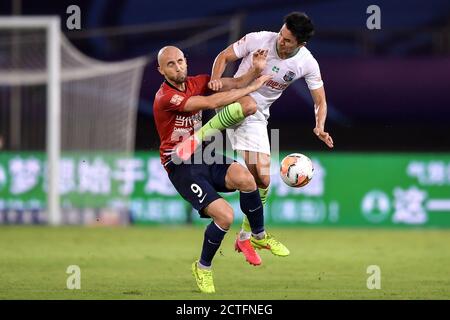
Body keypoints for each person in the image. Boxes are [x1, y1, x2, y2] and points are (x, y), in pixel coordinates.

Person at [153, 46, 286, 293]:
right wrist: (253, 87)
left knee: (247, 179)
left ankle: (258, 235)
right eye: (170, 64)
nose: (178, 66)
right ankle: (203, 268)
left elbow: (233, 82)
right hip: (180, 164)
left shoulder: (199, 82)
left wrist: (253, 72)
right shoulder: (165, 97)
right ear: (161, 70)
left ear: (186, 61)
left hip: (204, 154)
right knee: (225, 216)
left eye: (180, 61)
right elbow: (211, 102)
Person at [207, 12, 334, 265]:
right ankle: (259, 233)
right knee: (248, 105)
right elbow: (224, 56)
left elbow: (320, 100)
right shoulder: (259, 39)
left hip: (258, 115)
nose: (281, 41)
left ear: (301, 44)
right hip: (236, 100)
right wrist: (214, 81)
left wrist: (319, 126)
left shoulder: (306, 63)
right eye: (282, 34)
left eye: (288, 40)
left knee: (262, 178)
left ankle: (247, 236)